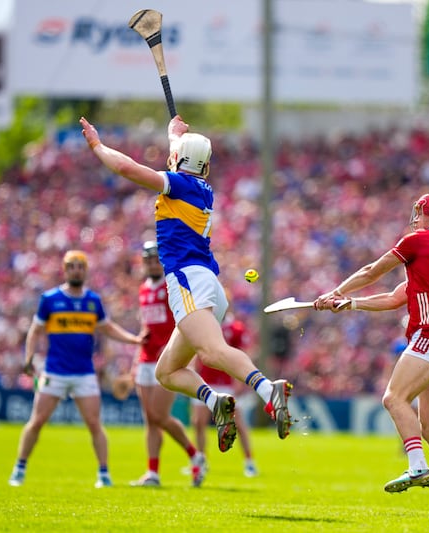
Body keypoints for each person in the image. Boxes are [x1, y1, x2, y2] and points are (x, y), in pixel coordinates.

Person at [79, 115, 293, 453]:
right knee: (167, 371)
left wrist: (97, 146)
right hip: (205, 283)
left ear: (179, 161)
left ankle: (269, 391)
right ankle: (215, 400)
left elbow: (128, 169)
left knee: (212, 352)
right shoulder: (199, 186)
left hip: (188, 281)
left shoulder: (179, 184)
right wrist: (174, 134)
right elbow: (179, 156)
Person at [314, 193, 429, 519]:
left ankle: (417, 466)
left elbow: (372, 270)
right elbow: (394, 297)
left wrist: (337, 292)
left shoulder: (418, 240)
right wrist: (351, 304)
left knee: (393, 398)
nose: (416, 218)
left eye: (421, 213)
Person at [8, 250, 146, 488]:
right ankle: (19, 468)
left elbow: (108, 328)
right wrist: (29, 357)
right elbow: (35, 331)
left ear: (85, 270)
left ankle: (104, 474)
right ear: (65, 270)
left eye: (80, 266)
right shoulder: (50, 299)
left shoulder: (93, 301)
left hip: (84, 373)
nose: (76, 270)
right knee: (37, 420)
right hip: (55, 371)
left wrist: (133, 340)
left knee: (94, 424)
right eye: (72, 266)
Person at [131, 240, 205, 487]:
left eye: (155, 260)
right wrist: (135, 359)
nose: (152, 264)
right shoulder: (144, 289)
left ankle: (195, 454)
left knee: (159, 415)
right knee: (150, 419)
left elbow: (182, 321)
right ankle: (152, 472)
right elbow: (146, 325)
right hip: (145, 359)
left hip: (166, 359)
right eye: (148, 260)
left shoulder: (171, 285)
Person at [190, 312, 259, 485]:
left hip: (226, 382)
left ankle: (249, 461)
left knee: (238, 424)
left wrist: (239, 379)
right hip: (204, 381)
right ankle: (201, 460)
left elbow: (244, 353)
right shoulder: (203, 324)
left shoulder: (235, 328)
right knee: (198, 422)